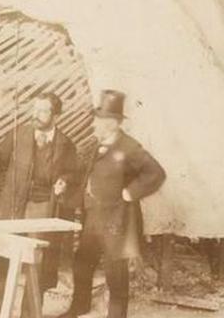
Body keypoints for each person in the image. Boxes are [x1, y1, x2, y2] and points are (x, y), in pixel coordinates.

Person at [0, 92, 80, 317]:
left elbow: (74, 172)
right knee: (1, 262)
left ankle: (29, 315)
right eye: (34, 109)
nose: (35, 115)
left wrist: (64, 182)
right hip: (12, 207)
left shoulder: (66, 144)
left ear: (55, 115)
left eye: (42, 110)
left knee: (37, 266)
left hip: (44, 209)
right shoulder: (19, 135)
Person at [59, 90, 166, 318]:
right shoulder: (97, 145)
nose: (93, 124)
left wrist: (130, 193)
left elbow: (156, 173)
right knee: (82, 263)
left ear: (112, 123)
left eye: (97, 120)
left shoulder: (130, 147)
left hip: (118, 222)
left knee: (116, 275)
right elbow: (87, 175)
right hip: (94, 218)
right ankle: (79, 307)